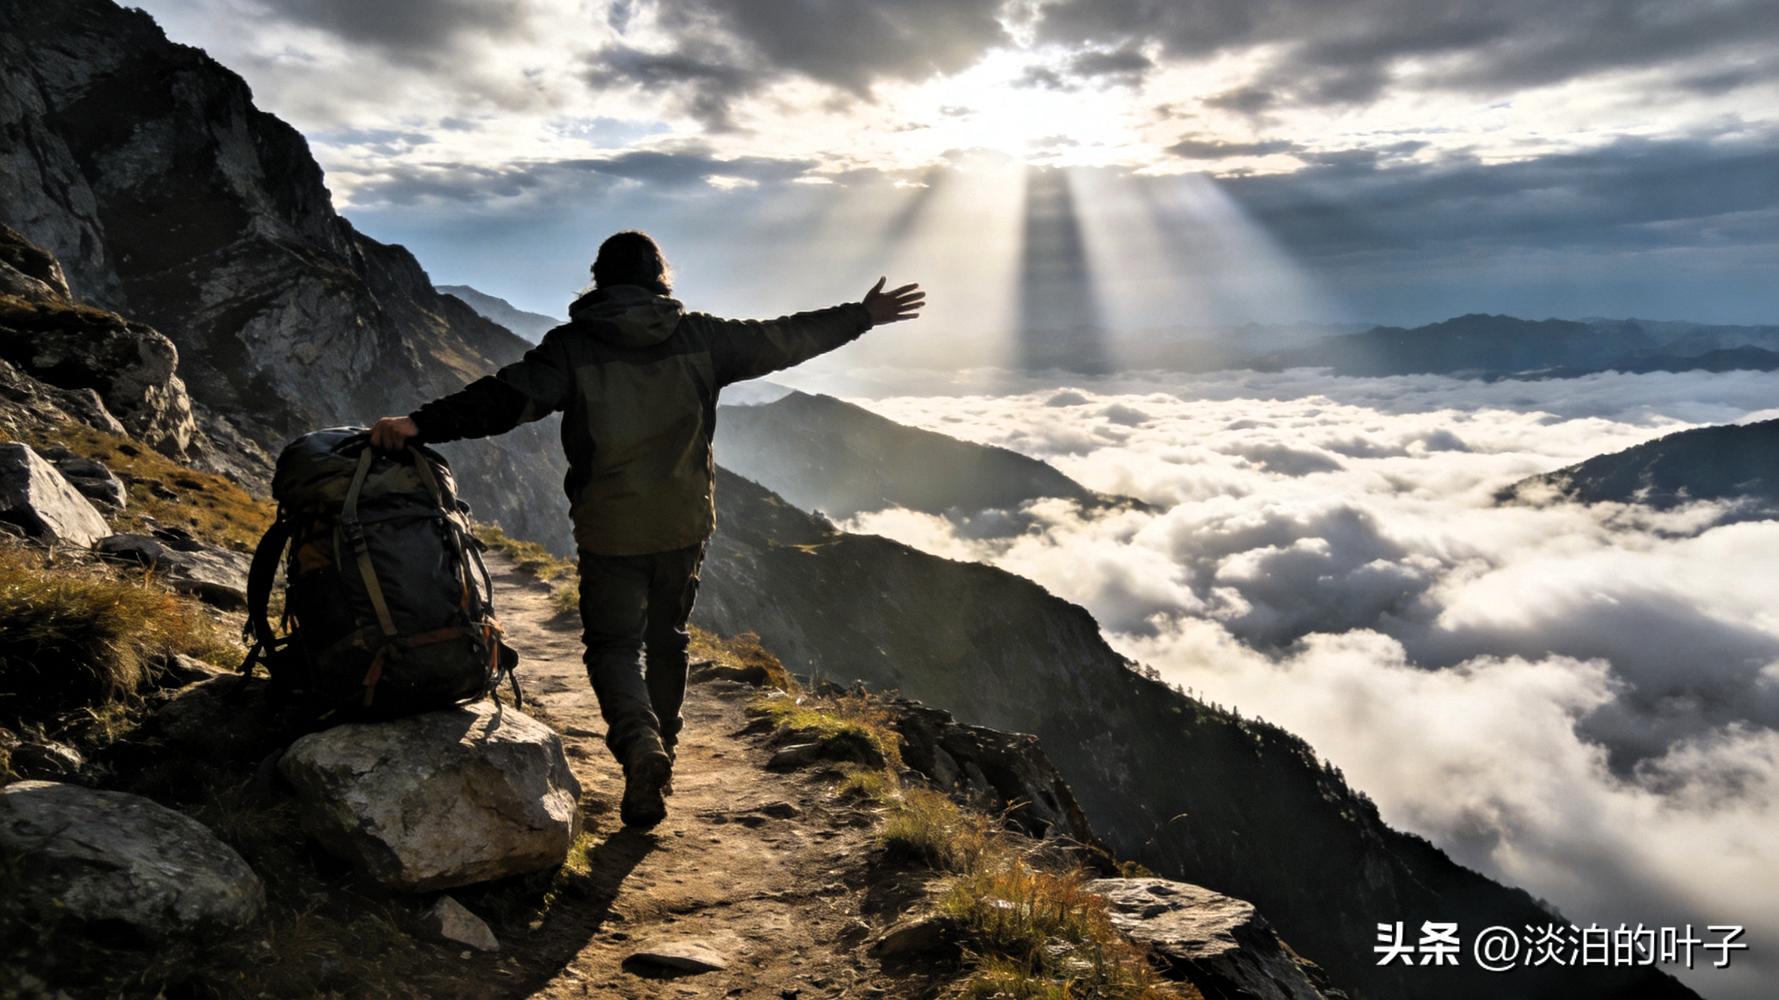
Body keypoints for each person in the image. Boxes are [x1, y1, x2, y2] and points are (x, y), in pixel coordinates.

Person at [369, 231, 924, 829]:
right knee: (669, 640)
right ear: (661, 276)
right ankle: (664, 756)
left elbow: (503, 401)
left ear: (598, 280)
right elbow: (785, 338)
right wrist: (861, 316)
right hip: (684, 524)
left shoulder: (573, 347)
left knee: (612, 646)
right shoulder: (701, 338)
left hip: (610, 527)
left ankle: (639, 745)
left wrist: (420, 425)